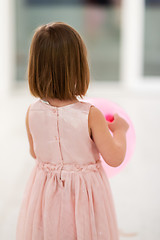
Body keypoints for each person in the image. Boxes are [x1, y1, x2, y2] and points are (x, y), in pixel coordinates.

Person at [16, 22, 129, 240]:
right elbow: (114, 158)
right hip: (83, 198)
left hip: (46, 196)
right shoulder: (90, 115)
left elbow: (35, 153)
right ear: (79, 66)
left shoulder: (32, 112)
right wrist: (120, 131)